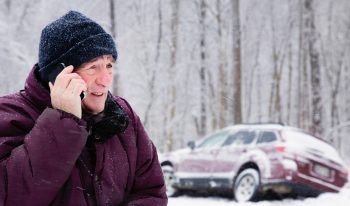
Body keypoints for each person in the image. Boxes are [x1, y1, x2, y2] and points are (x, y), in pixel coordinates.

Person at [0, 11, 167, 206]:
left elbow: (151, 192)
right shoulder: (10, 115)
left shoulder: (123, 117)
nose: (106, 80)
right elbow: (11, 197)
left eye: (109, 65)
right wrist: (63, 120)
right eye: (92, 67)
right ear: (60, 75)